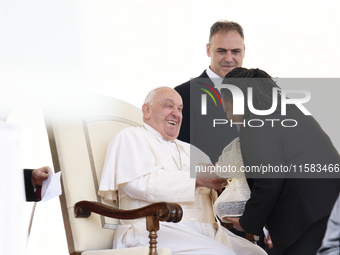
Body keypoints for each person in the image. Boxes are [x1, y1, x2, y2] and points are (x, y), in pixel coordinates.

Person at [98, 87, 266, 255]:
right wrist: (196, 179)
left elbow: (215, 196)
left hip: (207, 232)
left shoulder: (192, 150)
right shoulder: (131, 137)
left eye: (179, 109)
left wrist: (224, 181)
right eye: (169, 106)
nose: (176, 114)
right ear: (147, 110)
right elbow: (137, 184)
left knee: (258, 253)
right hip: (154, 230)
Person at [219, 67, 340, 255]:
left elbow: (269, 181)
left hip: (309, 219)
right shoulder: (293, 113)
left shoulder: (255, 124)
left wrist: (247, 222)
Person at [174, 20, 245, 164]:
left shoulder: (259, 91)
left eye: (235, 51)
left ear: (244, 50)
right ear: (208, 50)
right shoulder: (182, 95)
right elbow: (179, 153)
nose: (229, 58)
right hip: (210, 184)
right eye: (221, 51)